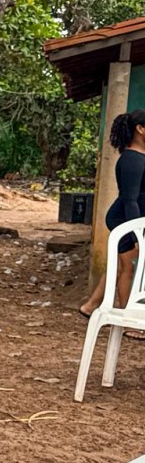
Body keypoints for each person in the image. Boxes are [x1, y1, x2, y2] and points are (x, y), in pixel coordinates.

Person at [80, 110, 145, 318]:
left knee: (119, 267)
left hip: (128, 218)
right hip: (123, 219)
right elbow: (130, 200)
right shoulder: (132, 160)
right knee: (128, 269)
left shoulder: (139, 157)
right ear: (141, 129)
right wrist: (137, 235)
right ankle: (127, 319)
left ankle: (90, 306)